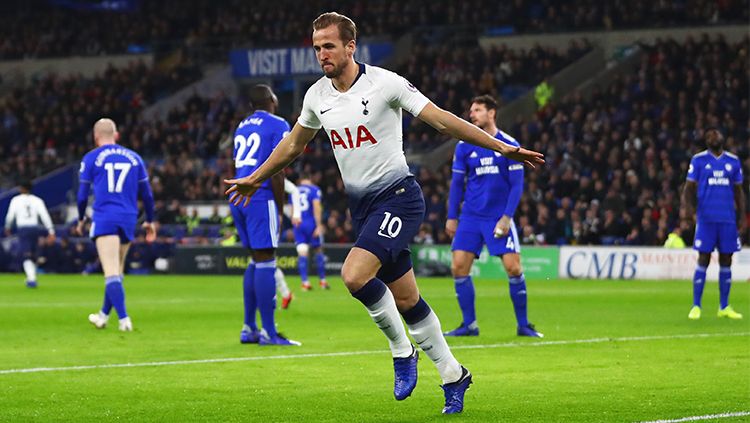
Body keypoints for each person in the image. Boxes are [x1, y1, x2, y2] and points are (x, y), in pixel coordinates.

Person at [224, 12, 544, 414]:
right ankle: (453, 374)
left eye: (329, 45)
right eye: (317, 46)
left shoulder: (385, 83)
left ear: (350, 46)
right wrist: (256, 177)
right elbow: (292, 145)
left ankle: (401, 350)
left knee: (354, 274)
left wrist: (499, 146)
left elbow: (442, 120)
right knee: (408, 299)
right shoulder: (316, 96)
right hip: (364, 208)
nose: (321, 53)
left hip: (399, 197)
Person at [444, 95, 543, 339]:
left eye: (477, 110)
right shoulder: (464, 145)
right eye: (471, 110)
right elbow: (457, 183)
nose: (472, 114)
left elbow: (516, 185)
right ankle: (469, 325)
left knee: (513, 268)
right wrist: (451, 216)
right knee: (458, 267)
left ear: (492, 113)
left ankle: (523, 325)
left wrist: (507, 217)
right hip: (470, 217)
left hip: (497, 217)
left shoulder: (508, 144)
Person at [230, 84, 299, 346]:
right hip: (260, 196)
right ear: (272, 99)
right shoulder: (278, 123)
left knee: (255, 260)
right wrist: (280, 209)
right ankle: (269, 333)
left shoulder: (242, 125)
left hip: (239, 193)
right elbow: (278, 168)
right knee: (267, 259)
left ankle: (249, 328)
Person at [77, 118, 156, 332]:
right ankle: (103, 315)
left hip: (105, 217)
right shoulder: (134, 158)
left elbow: (82, 195)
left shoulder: (91, 158)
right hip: (128, 218)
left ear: (95, 137)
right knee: (118, 270)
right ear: (117, 135)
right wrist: (149, 220)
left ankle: (124, 320)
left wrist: (81, 218)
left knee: (110, 271)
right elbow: (147, 195)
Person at [681, 127, 745, 320]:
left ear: (722, 138)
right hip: (706, 219)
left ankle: (724, 306)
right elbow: (688, 189)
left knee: (727, 260)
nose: (713, 136)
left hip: (727, 219)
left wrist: (742, 217)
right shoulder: (699, 160)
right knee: (703, 259)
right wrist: (691, 212)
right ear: (707, 141)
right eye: (709, 134)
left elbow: (739, 192)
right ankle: (696, 306)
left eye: (716, 133)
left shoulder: (733, 162)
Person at [4, 179, 55, 288]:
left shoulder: (16, 200)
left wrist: (7, 227)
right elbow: (45, 216)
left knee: (25, 255)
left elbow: (10, 215)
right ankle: (31, 276)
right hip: (34, 228)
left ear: (21, 188)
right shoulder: (37, 200)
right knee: (32, 254)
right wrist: (51, 230)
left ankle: (32, 279)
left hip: (23, 229)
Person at [293, 175, 329, 291]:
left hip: (298, 223)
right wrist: (319, 225)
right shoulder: (314, 189)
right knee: (318, 250)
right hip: (311, 223)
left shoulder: (295, 190)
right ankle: (322, 281)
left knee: (302, 252)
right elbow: (316, 207)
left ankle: (305, 282)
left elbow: (292, 208)